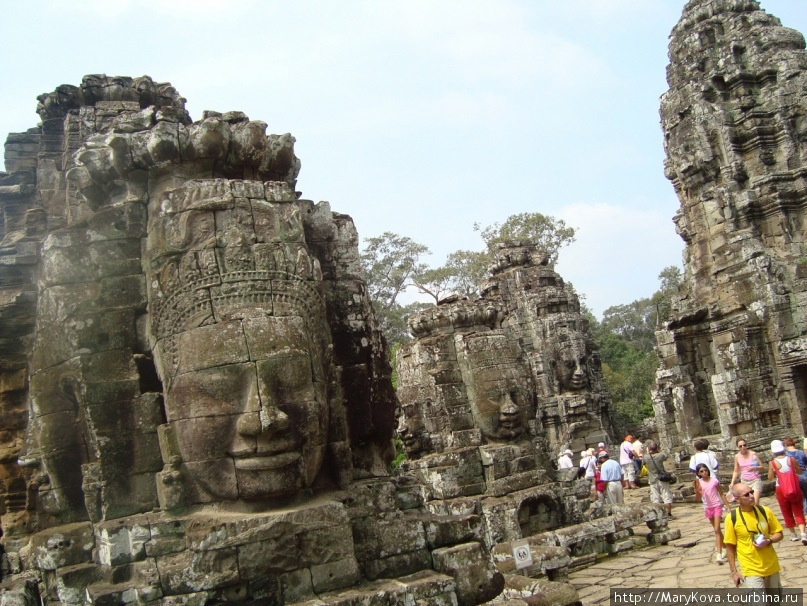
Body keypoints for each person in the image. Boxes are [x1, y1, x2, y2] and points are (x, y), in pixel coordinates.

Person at [724, 482, 784, 590]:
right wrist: (734, 572)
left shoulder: (765, 511)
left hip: (771, 566)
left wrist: (769, 540)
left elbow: (779, 533)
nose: (752, 496)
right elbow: (729, 547)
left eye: (751, 492)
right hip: (750, 569)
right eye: (747, 495)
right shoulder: (732, 518)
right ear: (737, 499)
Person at [767, 439, 806, 544]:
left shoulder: (772, 463)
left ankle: (793, 534)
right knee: (798, 509)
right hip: (794, 486)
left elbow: (770, 478)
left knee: (786, 511)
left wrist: (775, 471)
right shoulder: (791, 459)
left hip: (780, 488)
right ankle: (803, 533)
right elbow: (799, 471)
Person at [693, 463, 731, 563]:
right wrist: (697, 490)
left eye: (705, 470)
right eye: (701, 471)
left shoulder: (714, 481)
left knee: (717, 529)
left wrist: (727, 506)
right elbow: (697, 498)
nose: (704, 472)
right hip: (708, 507)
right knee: (716, 530)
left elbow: (721, 493)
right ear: (698, 473)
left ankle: (719, 554)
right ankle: (726, 548)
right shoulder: (699, 483)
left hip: (716, 506)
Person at [644, 440, 673, 519]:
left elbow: (643, 462)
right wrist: (657, 450)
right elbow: (666, 456)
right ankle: (669, 514)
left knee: (655, 498)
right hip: (662, 479)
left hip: (652, 479)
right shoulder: (660, 455)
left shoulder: (646, 457)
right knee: (666, 496)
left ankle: (657, 515)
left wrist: (648, 452)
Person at [730, 438, 762, 506]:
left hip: (755, 480)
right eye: (740, 446)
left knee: (755, 503)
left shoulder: (753, 454)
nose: (743, 447)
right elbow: (736, 470)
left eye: (744, 445)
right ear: (738, 447)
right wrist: (732, 482)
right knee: (747, 503)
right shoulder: (737, 457)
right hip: (744, 481)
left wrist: (754, 468)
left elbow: (762, 467)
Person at [782, 436, 807, 515]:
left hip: (793, 478)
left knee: (799, 498)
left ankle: (803, 514)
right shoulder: (801, 452)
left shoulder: (786, 455)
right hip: (804, 475)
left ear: (785, 445)